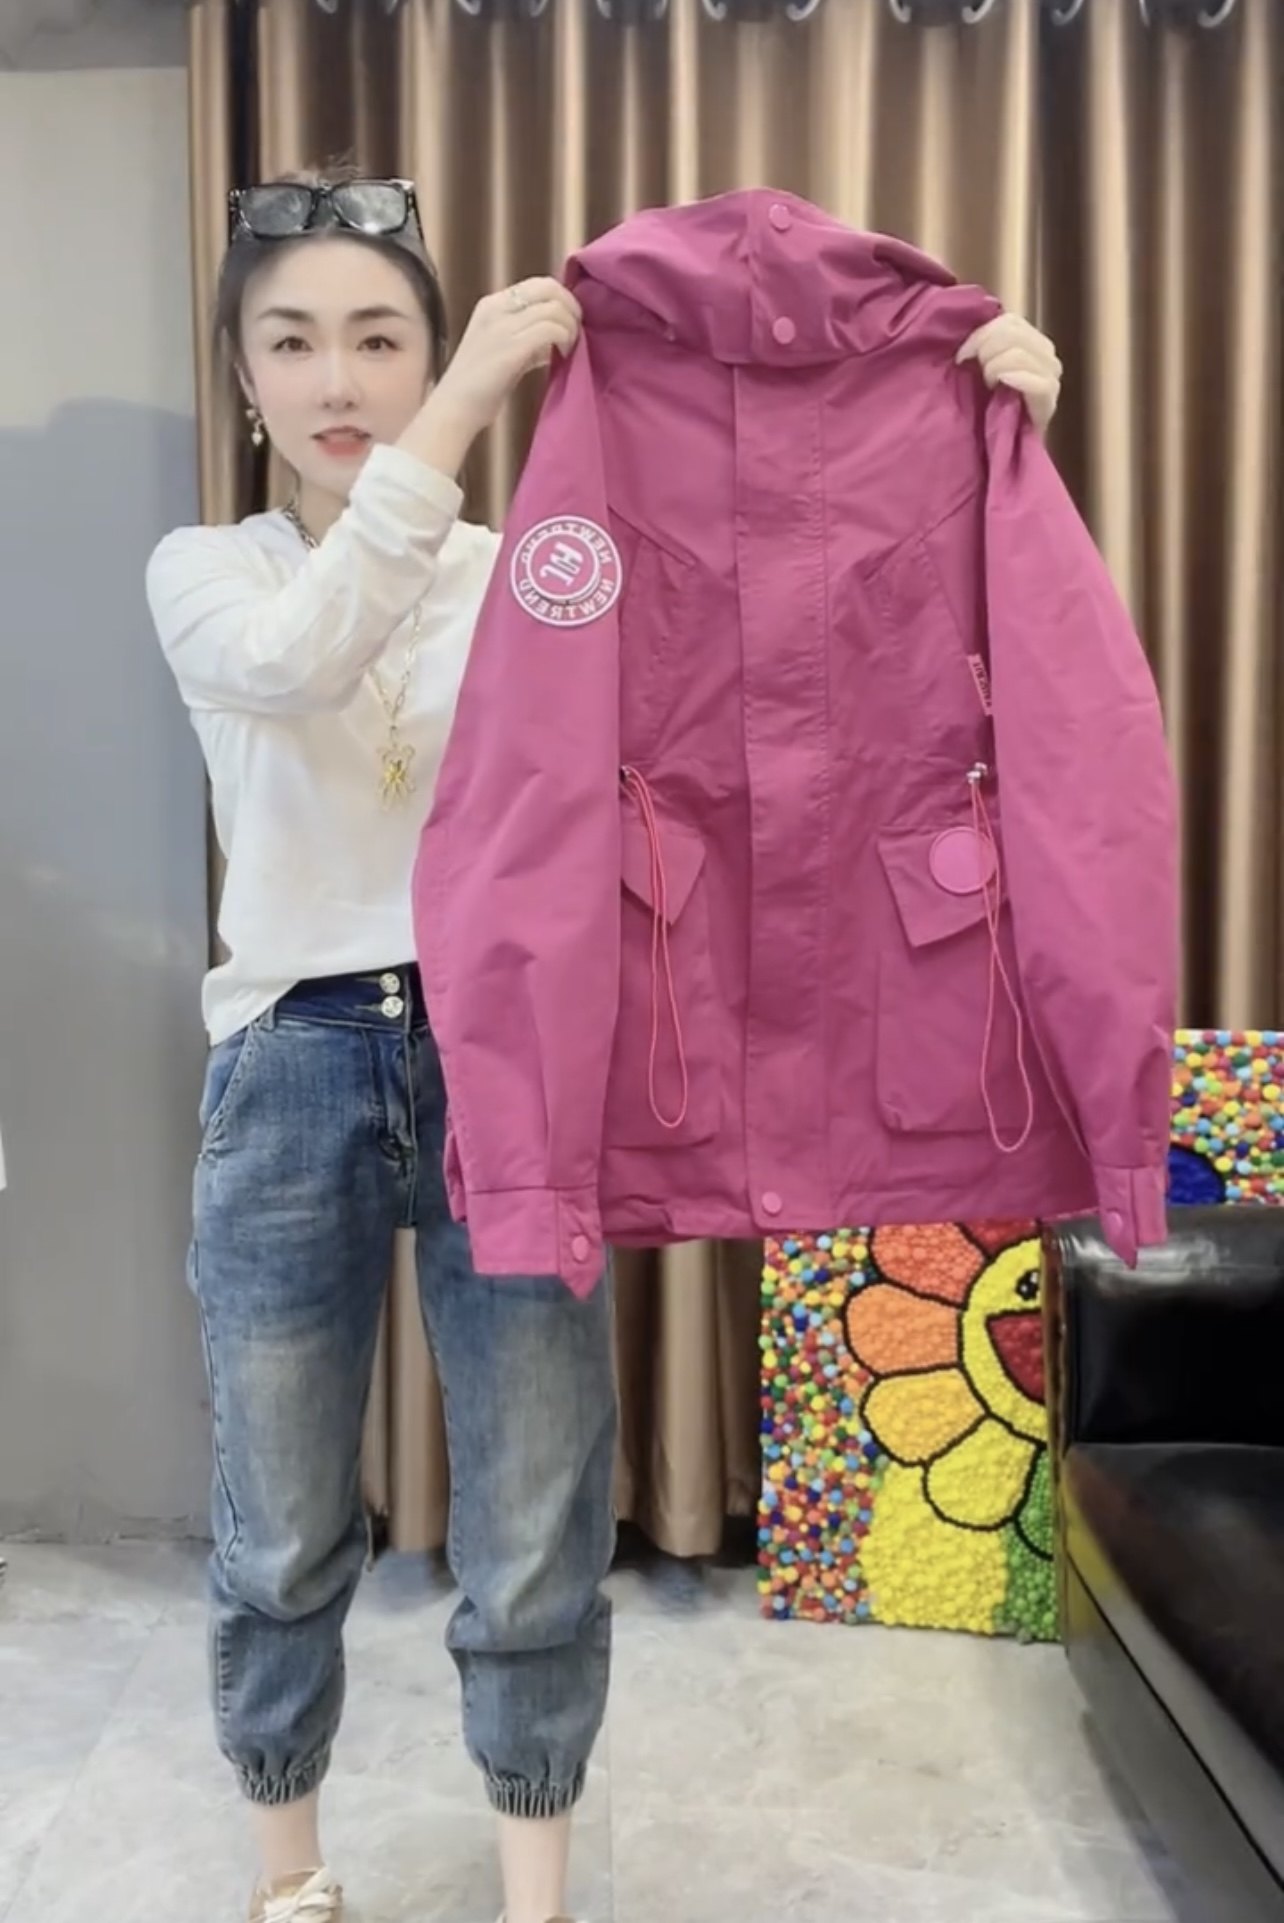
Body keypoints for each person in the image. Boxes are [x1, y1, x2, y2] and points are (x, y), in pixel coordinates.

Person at [145, 172, 1067, 1923]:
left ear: (427, 349)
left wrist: (976, 443)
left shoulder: (532, 566)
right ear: (242, 378)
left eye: (381, 340)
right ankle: (288, 1873)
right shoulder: (205, 574)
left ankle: (536, 1895)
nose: (339, 378)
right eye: (294, 342)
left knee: (538, 1513)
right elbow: (299, 659)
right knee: (279, 1522)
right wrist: (465, 407)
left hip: (516, 1052)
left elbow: (770, 625)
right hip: (290, 1063)